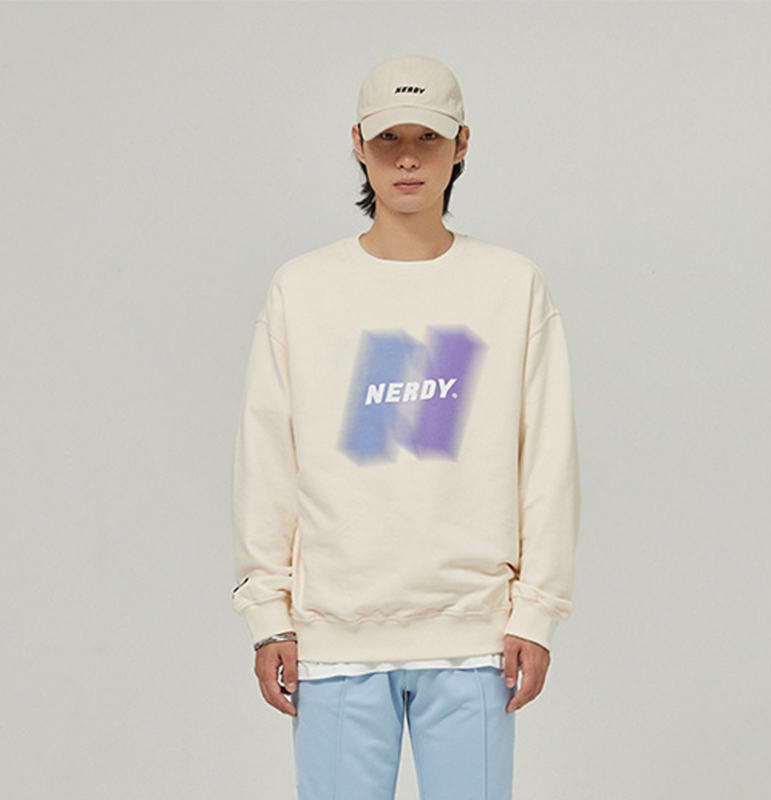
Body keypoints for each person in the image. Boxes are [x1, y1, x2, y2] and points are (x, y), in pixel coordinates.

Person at [230, 54, 581, 800]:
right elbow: (267, 459)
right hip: (335, 636)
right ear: (358, 144)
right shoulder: (303, 289)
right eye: (390, 138)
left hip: (474, 637)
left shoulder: (511, 286)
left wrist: (537, 612)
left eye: (429, 137)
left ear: (462, 145)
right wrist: (270, 617)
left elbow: (547, 460)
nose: (409, 158)